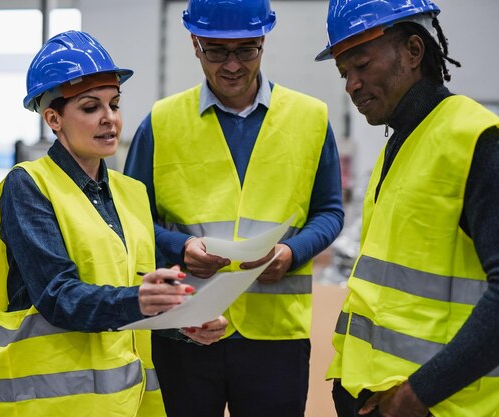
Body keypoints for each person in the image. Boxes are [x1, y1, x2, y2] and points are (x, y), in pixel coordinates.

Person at [0, 30, 226, 417]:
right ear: (53, 118)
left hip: (130, 403)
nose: (109, 118)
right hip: (55, 406)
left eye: (114, 104)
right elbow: (57, 296)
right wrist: (140, 301)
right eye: (90, 107)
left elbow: (135, 294)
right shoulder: (29, 186)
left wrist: (184, 322)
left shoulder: (131, 193)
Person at [124, 0, 345, 415]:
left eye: (246, 50)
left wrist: (292, 252)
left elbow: (330, 211)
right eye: (216, 51)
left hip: (276, 335)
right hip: (185, 326)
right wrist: (179, 247)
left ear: (263, 42)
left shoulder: (310, 119)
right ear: (195, 43)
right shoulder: (160, 122)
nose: (232, 65)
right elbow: (132, 220)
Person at [314, 1, 499, 416]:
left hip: (437, 405)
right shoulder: (402, 140)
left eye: (361, 66)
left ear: (414, 52)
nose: (351, 85)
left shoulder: (475, 141)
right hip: (374, 397)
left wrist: (416, 395)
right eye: (344, 74)